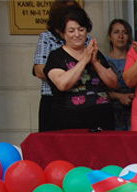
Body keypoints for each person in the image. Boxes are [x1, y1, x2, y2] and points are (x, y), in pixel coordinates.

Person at [44, 5, 117, 131]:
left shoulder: (95, 54)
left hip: (102, 119)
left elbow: (113, 82)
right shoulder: (56, 57)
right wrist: (84, 60)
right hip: (70, 120)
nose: (77, 34)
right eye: (71, 31)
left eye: (81, 29)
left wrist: (94, 61)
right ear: (63, 33)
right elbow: (62, 84)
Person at [32, 0, 80, 131]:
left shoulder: (85, 37)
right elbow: (39, 70)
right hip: (52, 99)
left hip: (79, 100)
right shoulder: (47, 37)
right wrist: (64, 77)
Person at [104, 19, 134, 131]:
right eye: (116, 32)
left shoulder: (136, 59)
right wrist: (119, 96)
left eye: (125, 32)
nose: (120, 36)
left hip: (134, 110)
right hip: (111, 111)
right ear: (109, 36)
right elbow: (100, 90)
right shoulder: (103, 60)